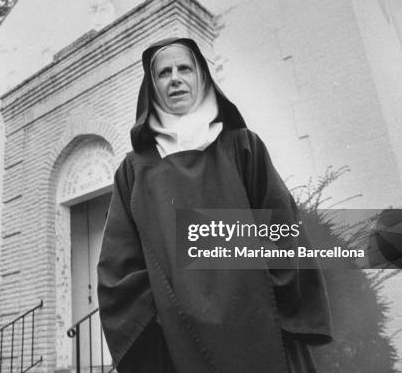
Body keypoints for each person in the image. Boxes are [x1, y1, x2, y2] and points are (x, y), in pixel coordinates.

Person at [97, 37, 333, 373]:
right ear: (152, 89)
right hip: (177, 345)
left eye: (184, 69)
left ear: (201, 79)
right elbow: (118, 266)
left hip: (259, 326)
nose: (175, 78)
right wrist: (164, 314)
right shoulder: (133, 171)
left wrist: (261, 292)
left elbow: (284, 230)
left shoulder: (242, 147)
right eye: (163, 73)